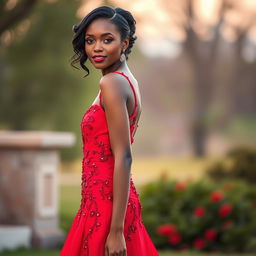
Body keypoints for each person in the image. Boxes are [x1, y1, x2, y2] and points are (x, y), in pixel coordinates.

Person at [60, 6, 159, 256]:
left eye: (107, 40)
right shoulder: (126, 80)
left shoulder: (112, 82)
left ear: (124, 43)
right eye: (90, 40)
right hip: (105, 202)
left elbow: (123, 155)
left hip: (106, 207)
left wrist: (115, 231)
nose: (97, 48)